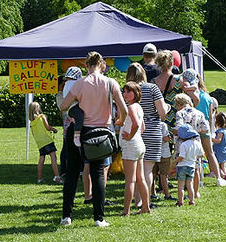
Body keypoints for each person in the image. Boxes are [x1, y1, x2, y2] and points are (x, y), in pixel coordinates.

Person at [58, 51, 126, 228]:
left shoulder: (80, 83)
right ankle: (98, 218)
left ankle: (66, 216)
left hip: (78, 131)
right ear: (102, 64)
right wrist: (119, 121)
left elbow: (63, 106)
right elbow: (123, 110)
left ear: (86, 65)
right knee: (98, 174)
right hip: (101, 133)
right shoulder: (111, 83)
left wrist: (76, 109)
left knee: (72, 173)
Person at [126, 63, 167, 207]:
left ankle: (138, 200)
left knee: (136, 169)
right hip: (152, 129)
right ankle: (145, 200)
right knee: (148, 169)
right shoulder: (152, 88)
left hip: (133, 131)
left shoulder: (126, 90)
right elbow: (163, 113)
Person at [181, 69, 226, 188]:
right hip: (206, 126)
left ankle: (199, 180)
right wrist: (212, 131)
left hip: (194, 127)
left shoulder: (189, 96)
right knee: (210, 153)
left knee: (198, 155)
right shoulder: (207, 96)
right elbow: (211, 117)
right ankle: (218, 178)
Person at [116, 82, 150, 216]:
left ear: (136, 93)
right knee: (140, 178)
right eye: (124, 91)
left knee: (130, 180)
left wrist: (129, 136)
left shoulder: (131, 108)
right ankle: (145, 207)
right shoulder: (138, 107)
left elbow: (136, 124)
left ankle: (126, 211)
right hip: (139, 145)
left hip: (131, 146)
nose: (125, 94)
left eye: (128, 91)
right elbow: (143, 128)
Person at [173, 93, 209, 202]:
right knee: (196, 167)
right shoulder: (199, 113)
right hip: (196, 143)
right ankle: (195, 192)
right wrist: (196, 130)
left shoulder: (180, 113)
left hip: (183, 143)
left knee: (182, 166)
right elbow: (206, 129)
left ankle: (184, 191)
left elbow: (179, 128)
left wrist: (174, 131)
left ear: (179, 104)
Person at [29, 101, 61, 183]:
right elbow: (47, 127)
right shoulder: (42, 117)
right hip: (47, 140)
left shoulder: (32, 123)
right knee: (53, 157)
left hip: (40, 143)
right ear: (37, 108)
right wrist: (53, 129)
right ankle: (57, 177)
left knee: (41, 159)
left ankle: (39, 178)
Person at [173, 124, 203, 206]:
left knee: (181, 185)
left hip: (182, 166)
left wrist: (175, 161)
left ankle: (180, 201)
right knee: (190, 184)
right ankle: (192, 201)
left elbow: (181, 156)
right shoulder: (197, 144)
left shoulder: (184, 144)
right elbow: (202, 155)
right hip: (192, 166)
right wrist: (194, 157)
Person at [212, 112, 226, 181]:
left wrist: (210, 139)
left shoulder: (220, 131)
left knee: (216, 165)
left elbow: (218, 141)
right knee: (223, 165)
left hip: (219, 150)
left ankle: (223, 176)